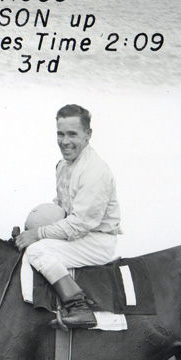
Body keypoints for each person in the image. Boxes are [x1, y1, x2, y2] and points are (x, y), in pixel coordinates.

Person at [15, 104, 122, 330]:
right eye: (60, 134)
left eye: (72, 134)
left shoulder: (95, 171)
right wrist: (32, 227)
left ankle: (79, 307)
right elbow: (60, 208)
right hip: (78, 236)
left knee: (37, 250)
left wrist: (37, 235)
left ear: (88, 135)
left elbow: (79, 225)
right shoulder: (64, 166)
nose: (65, 141)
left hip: (96, 241)